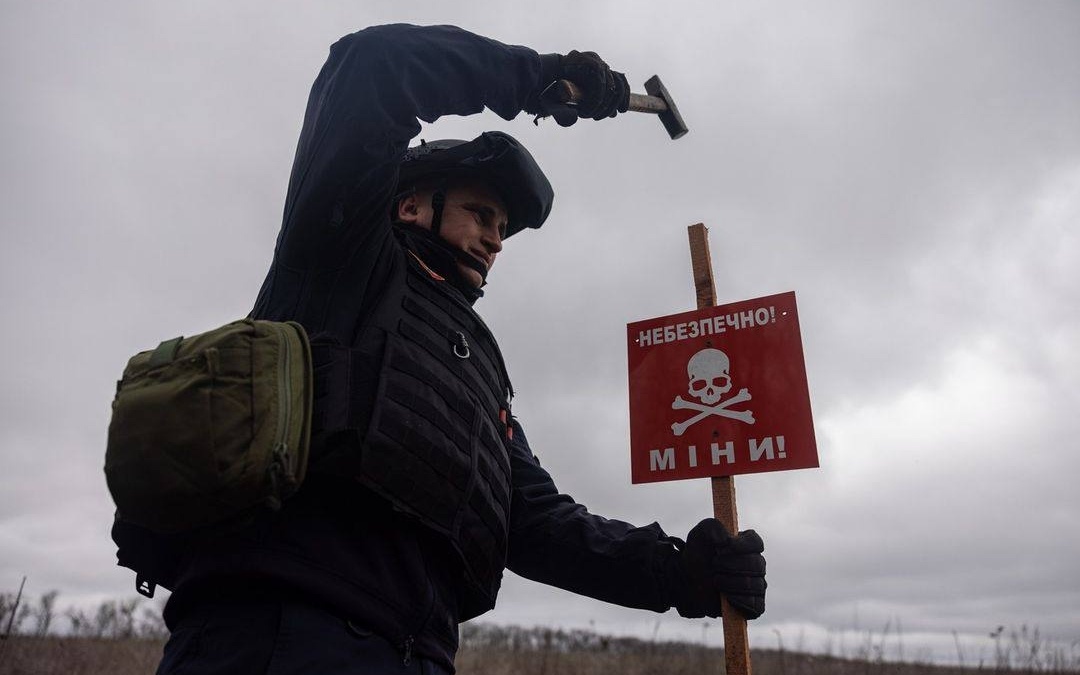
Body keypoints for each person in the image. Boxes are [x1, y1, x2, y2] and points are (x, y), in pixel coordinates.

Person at [155, 24, 766, 675]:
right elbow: (374, 67)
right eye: (481, 213)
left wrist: (678, 574)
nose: (496, 239)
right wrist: (543, 77)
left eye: (503, 228)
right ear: (413, 205)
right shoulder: (343, 262)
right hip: (277, 632)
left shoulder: (480, 365)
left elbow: (534, 521)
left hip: (420, 655)